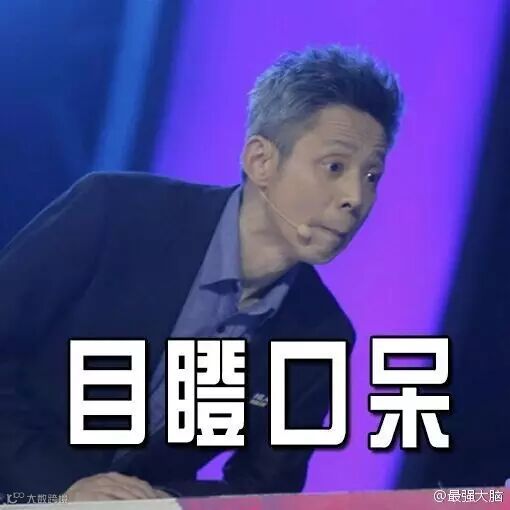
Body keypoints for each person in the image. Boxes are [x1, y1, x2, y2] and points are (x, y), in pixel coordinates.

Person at [0, 44, 404, 502]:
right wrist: (60, 487)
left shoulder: (320, 333)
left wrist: (161, 501)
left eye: (372, 176)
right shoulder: (115, 212)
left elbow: (265, 490)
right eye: (335, 167)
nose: (355, 197)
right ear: (261, 161)